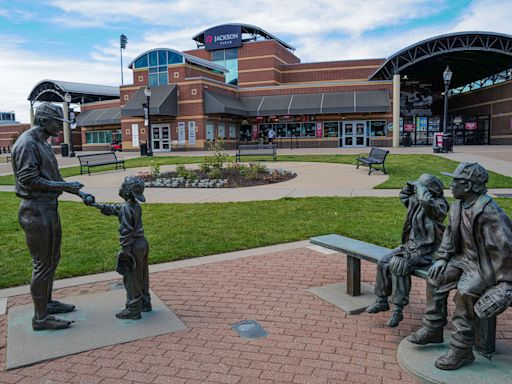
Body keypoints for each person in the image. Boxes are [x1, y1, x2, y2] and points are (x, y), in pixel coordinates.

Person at [407, 162, 512, 370]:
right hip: (461, 259)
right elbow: (449, 236)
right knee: (435, 276)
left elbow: (506, 248)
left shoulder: (489, 211)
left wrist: (506, 282)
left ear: (469, 186)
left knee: (465, 291)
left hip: (483, 266)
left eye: (456, 181)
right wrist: (442, 258)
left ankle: (462, 349)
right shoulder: (457, 205)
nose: (451, 184)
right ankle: (433, 328)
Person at [12, 102, 93, 331]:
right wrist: (64, 186)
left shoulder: (44, 144)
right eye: (57, 122)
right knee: (42, 264)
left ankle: (46, 304)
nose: (60, 127)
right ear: (44, 120)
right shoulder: (27, 143)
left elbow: (54, 176)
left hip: (48, 208)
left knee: (53, 259)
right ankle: (40, 318)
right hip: (35, 210)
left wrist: (79, 191)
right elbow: (30, 180)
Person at [366, 174, 448, 327]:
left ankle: (398, 310)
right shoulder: (416, 201)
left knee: (398, 264)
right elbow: (404, 196)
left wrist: (421, 188)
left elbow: (426, 203)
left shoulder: (439, 205)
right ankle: (382, 300)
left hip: (423, 251)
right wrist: (409, 186)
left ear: (429, 190)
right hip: (409, 247)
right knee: (383, 262)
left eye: (420, 188)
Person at [88, 176, 151, 319]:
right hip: (142, 243)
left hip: (133, 246)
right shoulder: (134, 205)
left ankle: (133, 308)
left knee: (131, 278)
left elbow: (126, 231)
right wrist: (95, 204)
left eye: (123, 186)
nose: (120, 188)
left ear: (128, 191)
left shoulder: (126, 208)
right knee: (142, 274)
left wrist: (125, 251)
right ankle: (145, 302)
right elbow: (113, 208)